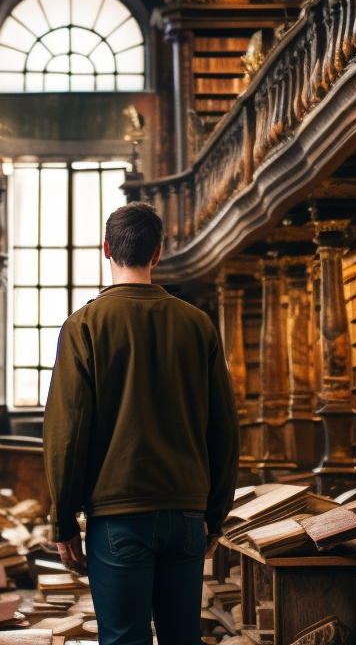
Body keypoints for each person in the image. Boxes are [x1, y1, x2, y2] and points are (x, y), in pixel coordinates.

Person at [43, 202, 240, 645]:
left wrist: (63, 521)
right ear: (157, 253)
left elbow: (67, 433)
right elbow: (225, 430)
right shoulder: (198, 325)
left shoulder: (84, 326)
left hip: (118, 518)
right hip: (187, 514)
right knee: (182, 639)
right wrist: (215, 515)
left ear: (107, 249)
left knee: (123, 640)